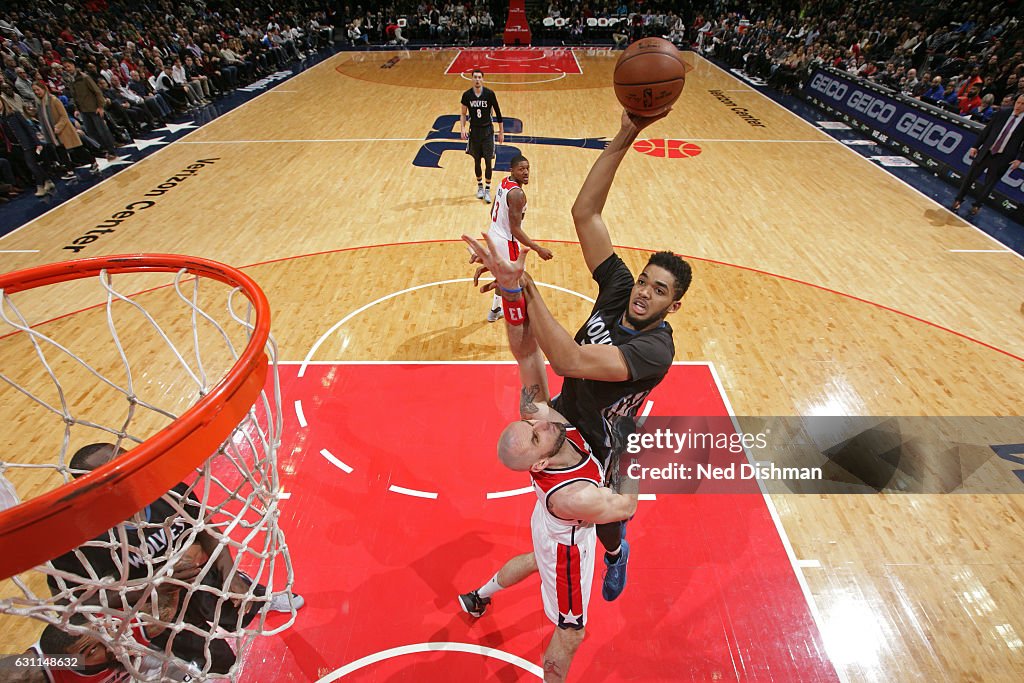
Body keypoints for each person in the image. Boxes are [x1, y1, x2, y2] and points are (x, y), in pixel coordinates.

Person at [465, 109, 693, 602]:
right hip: (569, 418)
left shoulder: (656, 349)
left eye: (658, 291)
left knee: (611, 522)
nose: (643, 293)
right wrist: (628, 130)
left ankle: (616, 555)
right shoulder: (618, 288)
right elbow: (585, 214)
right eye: (643, 281)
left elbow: (567, 360)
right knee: (529, 405)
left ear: (671, 304)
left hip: (608, 441)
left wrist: (523, 284)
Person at [456, 247, 638, 682]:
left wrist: (512, 289)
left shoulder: (543, 427)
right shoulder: (576, 493)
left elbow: (526, 355)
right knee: (571, 633)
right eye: (536, 433)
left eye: (533, 424)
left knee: (535, 557)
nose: (541, 420)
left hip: (545, 523)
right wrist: (633, 447)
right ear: (538, 459)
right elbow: (625, 507)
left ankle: (478, 596)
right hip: (570, 545)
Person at [46, 443, 304, 675]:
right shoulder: (78, 540)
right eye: (116, 472)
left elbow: (206, 528)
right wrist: (146, 588)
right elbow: (74, 603)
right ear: (90, 489)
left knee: (243, 600)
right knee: (216, 659)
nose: (131, 470)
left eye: (129, 461)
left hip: (202, 576)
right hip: (154, 611)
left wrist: (230, 573)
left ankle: (261, 601)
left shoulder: (164, 489)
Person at [482, 154, 553, 323]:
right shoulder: (517, 194)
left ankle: (495, 310)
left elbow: (492, 212)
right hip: (507, 242)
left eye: (527, 168)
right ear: (512, 170)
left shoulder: (504, 182)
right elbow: (516, 230)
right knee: (519, 281)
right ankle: (520, 317)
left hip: (494, 235)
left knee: (504, 277)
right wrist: (538, 249)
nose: (526, 172)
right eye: (521, 169)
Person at [951, 94, 1024, 217]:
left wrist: (1019, 159)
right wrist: (975, 146)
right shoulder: (1003, 113)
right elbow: (987, 130)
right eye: (1018, 102)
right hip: (987, 151)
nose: (1019, 106)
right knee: (970, 177)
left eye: (1023, 104)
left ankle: (977, 205)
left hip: (1003, 156)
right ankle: (958, 199)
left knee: (990, 184)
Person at [460, 69, 504, 203]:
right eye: (475, 77)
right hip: (474, 131)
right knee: (477, 160)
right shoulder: (467, 95)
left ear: (483, 79)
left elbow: (498, 113)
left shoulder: (489, 94)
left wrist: (501, 132)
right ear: (472, 79)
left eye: (479, 77)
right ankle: (480, 187)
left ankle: (487, 190)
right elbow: (463, 113)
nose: (477, 79)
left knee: (489, 161)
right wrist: (462, 128)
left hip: (488, 131)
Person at [62, 59, 119, 162]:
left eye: (68, 66)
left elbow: (97, 92)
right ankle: (103, 151)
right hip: (83, 110)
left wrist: (101, 107)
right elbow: (75, 96)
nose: (67, 69)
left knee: (102, 131)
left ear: (73, 65)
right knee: (91, 132)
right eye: (65, 67)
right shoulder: (71, 80)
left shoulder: (85, 78)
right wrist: (76, 108)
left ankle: (112, 150)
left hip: (93, 108)